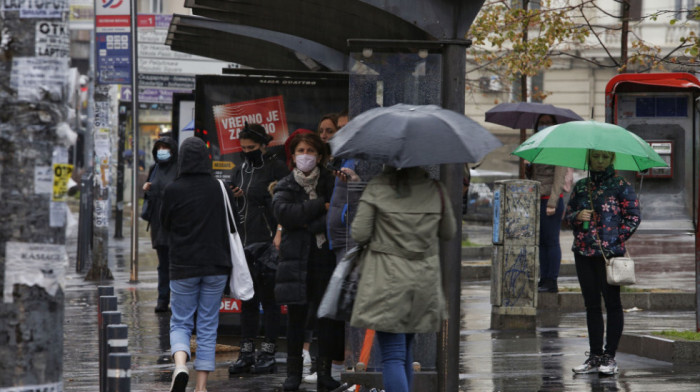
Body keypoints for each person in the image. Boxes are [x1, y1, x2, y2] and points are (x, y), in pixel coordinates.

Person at [349, 166, 456, 392]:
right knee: (405, 350)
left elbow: (359, 233)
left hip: (387, 279)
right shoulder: (436, 189)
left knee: (392, 356)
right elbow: (448, 232)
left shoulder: (378, 187)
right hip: (423, 281)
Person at [160, 137, 237, 392]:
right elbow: (233, 222)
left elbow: (165, 224)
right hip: (216, 266)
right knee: (207, 323)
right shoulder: (220, 188)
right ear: (207, 158)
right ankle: (201, 387)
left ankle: (181, 365)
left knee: (181, 322)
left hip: (183, 265)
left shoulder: (172, 189)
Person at [272, 132, 343, 392]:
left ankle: (323, 372)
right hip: (295, 260)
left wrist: (304, 221)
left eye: (310, 151)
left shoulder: (330, 182)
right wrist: (317, 207)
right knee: (296, 319)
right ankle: (293, 375)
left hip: (323, 258)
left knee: (325, 318)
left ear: (320, 156)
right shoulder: (285, 184)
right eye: (300, 150)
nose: (305, 155)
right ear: (293, 155)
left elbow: (335, 216)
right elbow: (283, 214)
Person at [565, 149, 640, 375]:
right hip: (583, 251)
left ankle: (610, 356)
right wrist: (577, 217)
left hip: (610, 256)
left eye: (604, 157)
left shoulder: (621, 185)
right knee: (591, 305)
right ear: (589, 158)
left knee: (613, 304)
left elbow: (634, 216)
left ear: (611, 159)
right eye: (595, 157)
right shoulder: (580, 186)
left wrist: (615, 239)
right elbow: (568, 215)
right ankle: (595, 356)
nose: (599, 161)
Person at [227, 123, 289, 375]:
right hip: (244, 243)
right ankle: (246, 351)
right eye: (242, 148)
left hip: (268, 242)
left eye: (251, 148)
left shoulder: (277, 168)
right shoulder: (238, 170)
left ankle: (269, 350)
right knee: (248, 299)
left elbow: (282, 203)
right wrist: (236, 196)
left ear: (263, 145)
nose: (247, 152)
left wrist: (279, 232)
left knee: (270, 300)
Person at [527, 114, 567, 293]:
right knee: (542, 242)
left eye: (548, 123)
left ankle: (552, 280)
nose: (544, 125)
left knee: (551, 242)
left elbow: (559, 177)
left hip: (550, 201)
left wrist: (552, 202)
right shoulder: (536, 145)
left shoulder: (558, 146)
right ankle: (544, 278)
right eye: (541, 123)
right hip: (536, 199)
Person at [143, 136, 178, 313]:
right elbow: (150, 197)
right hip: (158, 224)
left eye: (166, 147)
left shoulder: (179, 169)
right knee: (162, 263)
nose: (162, 151)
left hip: (176, 224)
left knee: (176, 262)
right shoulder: (154, 168)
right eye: (159, 148)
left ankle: (177, 300)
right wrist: (148, 190)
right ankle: (162, 299)